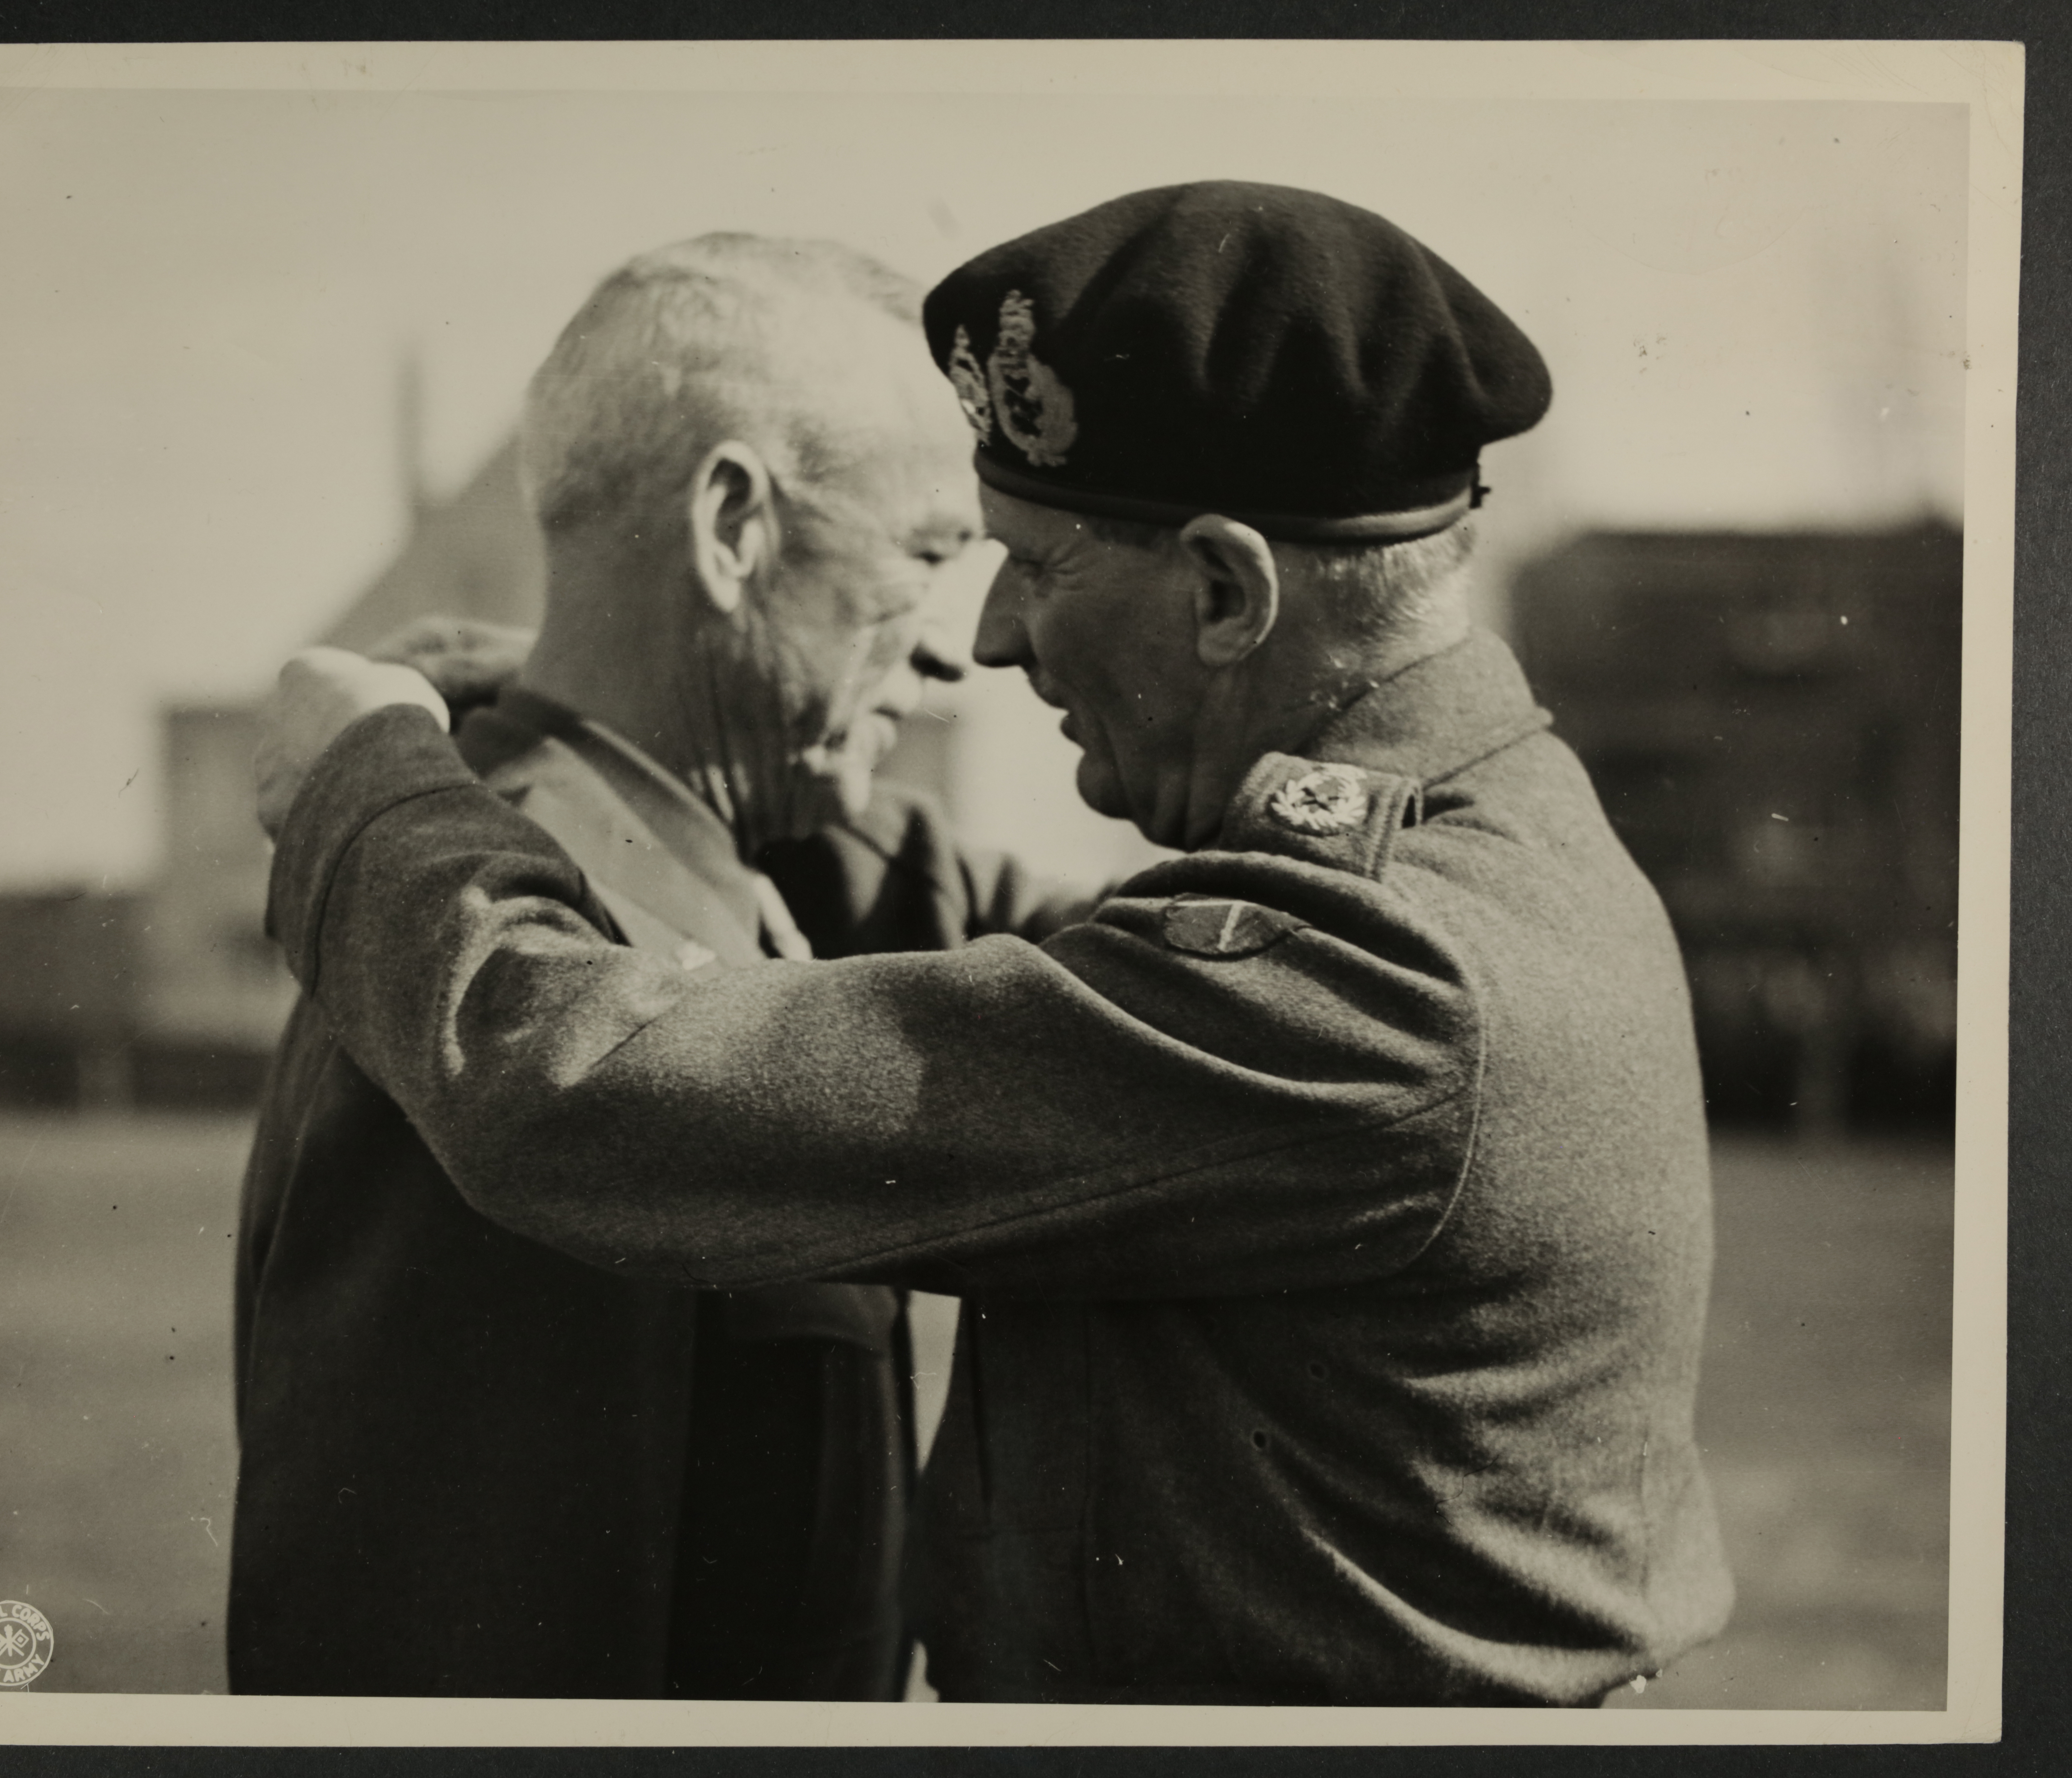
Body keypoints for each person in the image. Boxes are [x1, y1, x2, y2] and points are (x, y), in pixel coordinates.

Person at [252, 182, 1735, 1706]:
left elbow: (577, 1088)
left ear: (1228, 591)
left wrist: (360, 789)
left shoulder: (1383, 977)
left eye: (1036, 563)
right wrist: (614, 723)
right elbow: (1053, 966)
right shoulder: (1479, 847)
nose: (996, 638)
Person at [229, 233, 1083, 1700]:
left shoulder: (684, 875)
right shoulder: (508, 959)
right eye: (929, 555)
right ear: (733, 528)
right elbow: (462, 1675)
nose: (959, 656)